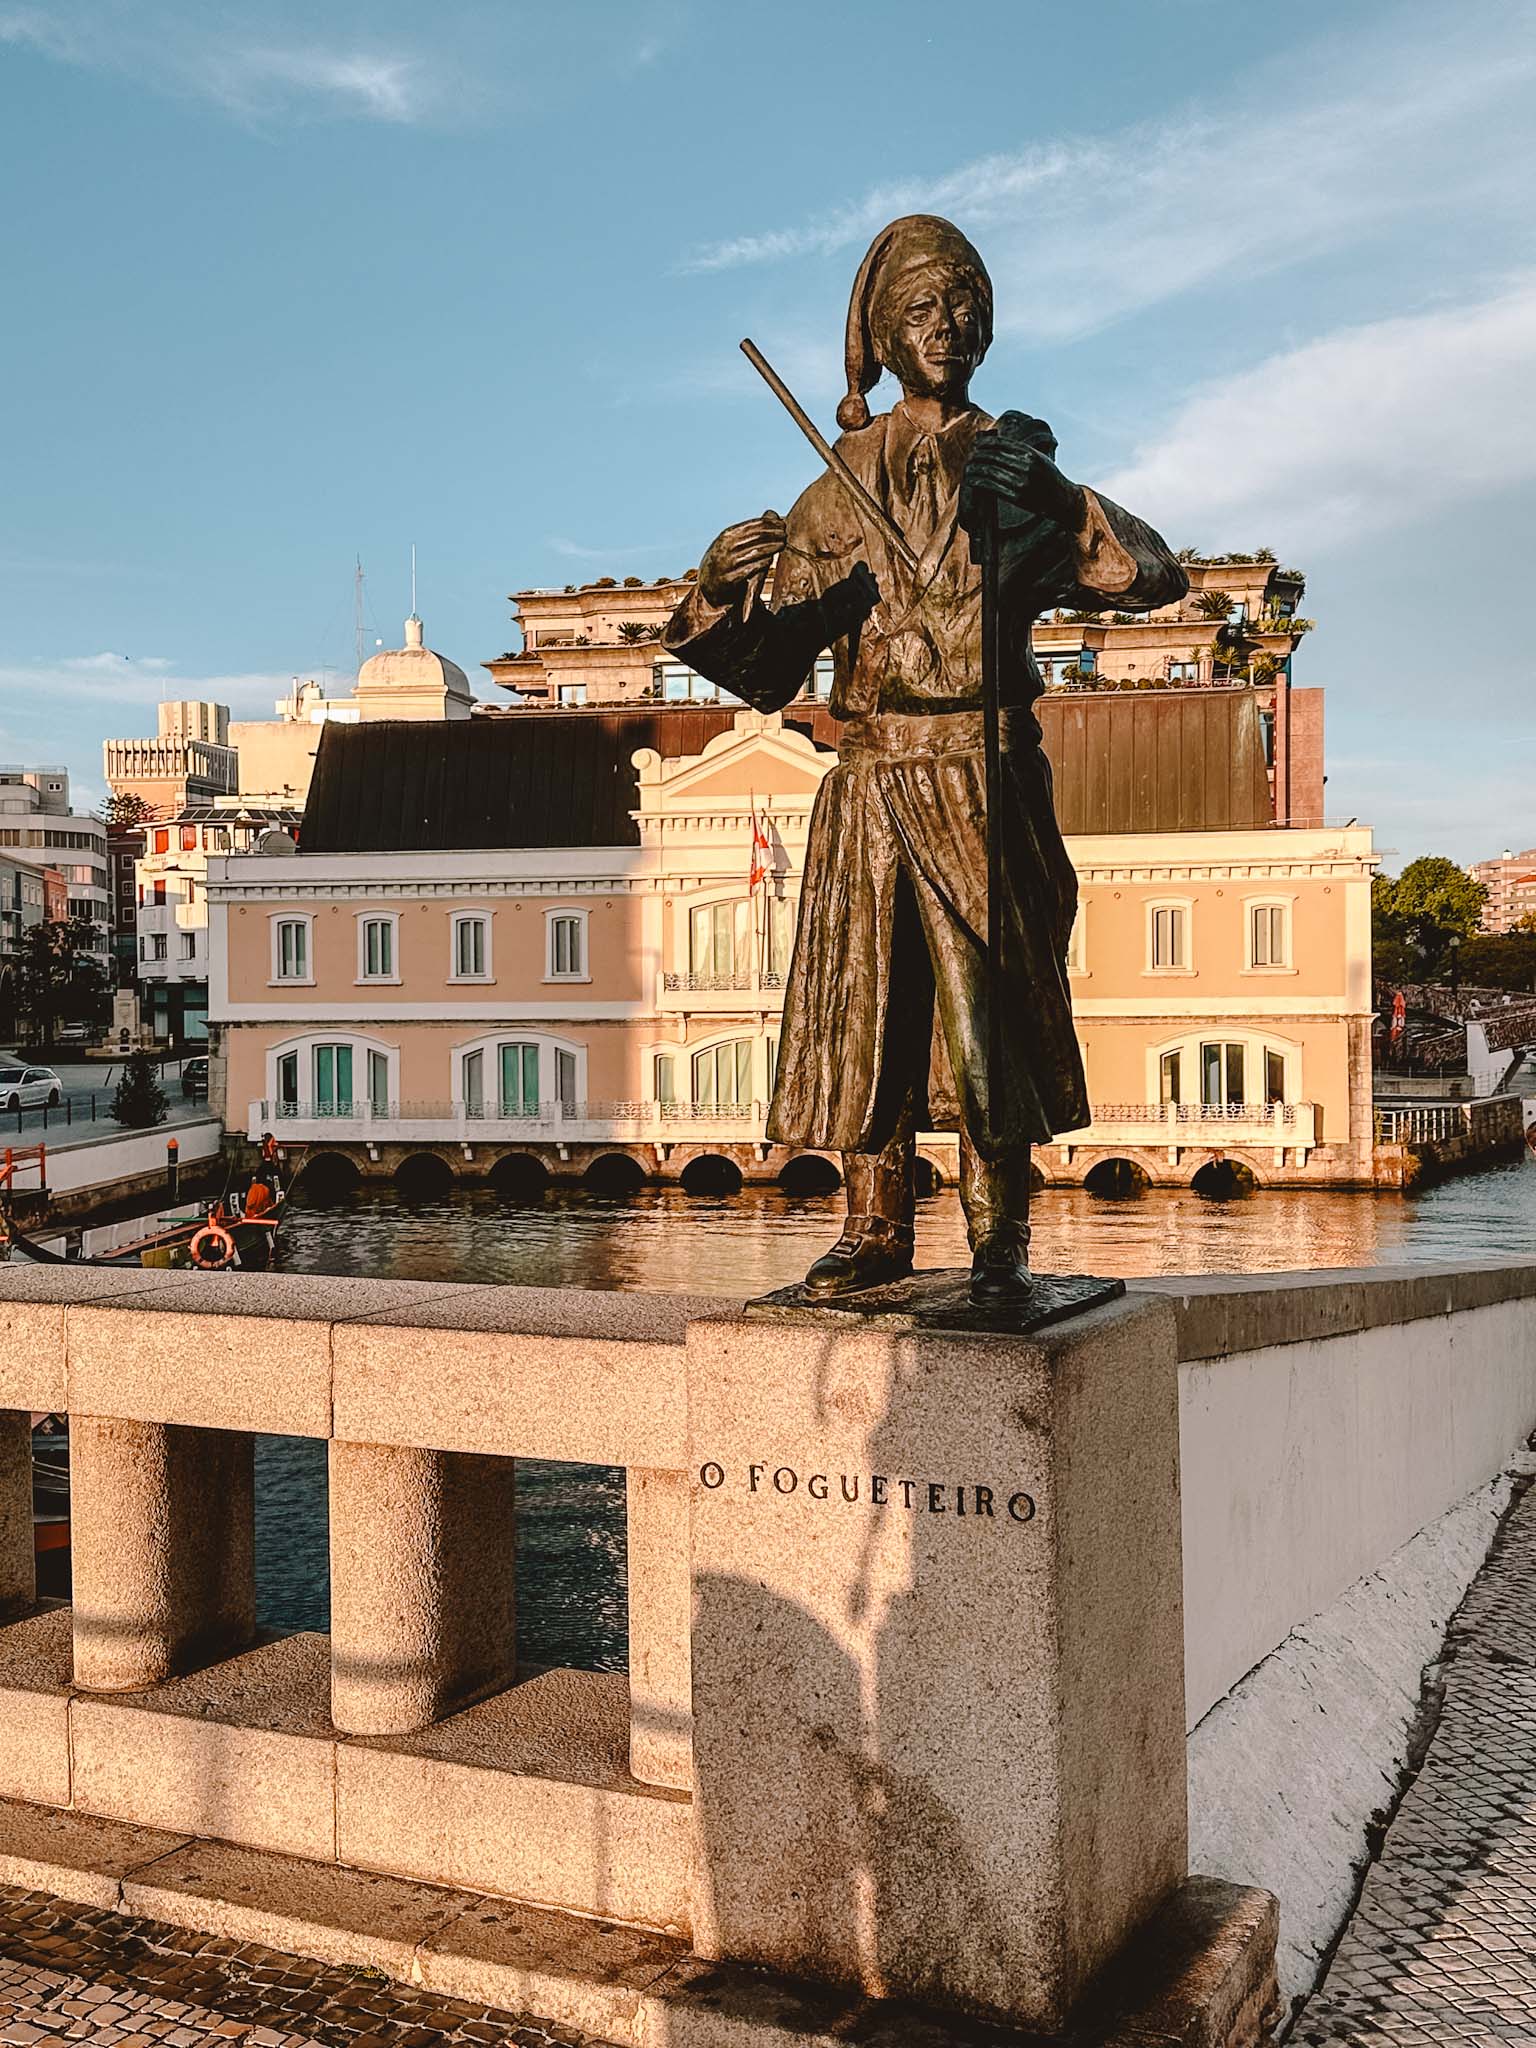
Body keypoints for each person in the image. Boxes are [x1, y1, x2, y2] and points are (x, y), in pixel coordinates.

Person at [665, 214, 1186, 1302]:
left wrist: (1059, 496)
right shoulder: (835, 485)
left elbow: (1151, 575)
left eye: (961, 304)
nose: (945, 325)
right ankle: (874, 1227)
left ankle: (1000, 1239)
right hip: (872, 779)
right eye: (919, 309)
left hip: (982, 772)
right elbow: (766, 670)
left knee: (987, 1013)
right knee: (870, 1009)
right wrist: (715, 589)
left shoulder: (1013, 464)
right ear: (880, 338)